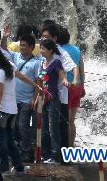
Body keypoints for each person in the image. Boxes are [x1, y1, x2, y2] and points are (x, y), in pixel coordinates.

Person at [0, 47, 24, 175]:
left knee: (0, 140)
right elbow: (21, 77)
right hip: (12, 110)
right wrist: (36, 86)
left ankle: (4, 168)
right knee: (9, 139)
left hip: (1, 110)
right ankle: (19, 167)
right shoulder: (10, 66)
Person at [40, 23, 78, 153]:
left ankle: (62, 155)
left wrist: (74, 79)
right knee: (45, 126)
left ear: (55, 38)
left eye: (47, 37)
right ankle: (47, 153)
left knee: (60, 126)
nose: (44, 39)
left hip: (59, 95)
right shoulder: (42, 52)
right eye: (42, 37)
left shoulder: (61, 53)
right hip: (44, 96)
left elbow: (73, 67)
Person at [10, 34, 41, 162]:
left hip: (26, 100)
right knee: (14, 126)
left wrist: (34, 98)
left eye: (24, 46)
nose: (22, 48)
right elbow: (3, 50)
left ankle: (27, 151)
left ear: (32, 47)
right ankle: (18, 149)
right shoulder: (15, 56)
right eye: (20, 45)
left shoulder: (36, 63)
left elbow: (39, 83)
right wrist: (5, 37)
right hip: (13, 99)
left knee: (23, 126)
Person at [39, 39, 67, 164]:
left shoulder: (56, 62)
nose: (41, 51)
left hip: (53, 98)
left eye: (43, 49)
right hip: (42, 99)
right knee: (43, 128)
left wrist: (66, 82)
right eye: (40, 48)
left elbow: (62, 77)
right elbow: (39, 82)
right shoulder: (41, 63)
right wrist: (36, 98)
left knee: (53, 128)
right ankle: (45, 154)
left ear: (50, 50)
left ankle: (56, 156)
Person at [57, 27, 85, 147]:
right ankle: (71, 145)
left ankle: (64, 146)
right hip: (77, 86)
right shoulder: (77, 50)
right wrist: (82, 86)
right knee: (71, 121)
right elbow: (82, 69)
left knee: (64, 120)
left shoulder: (59, 51)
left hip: (66, 87)